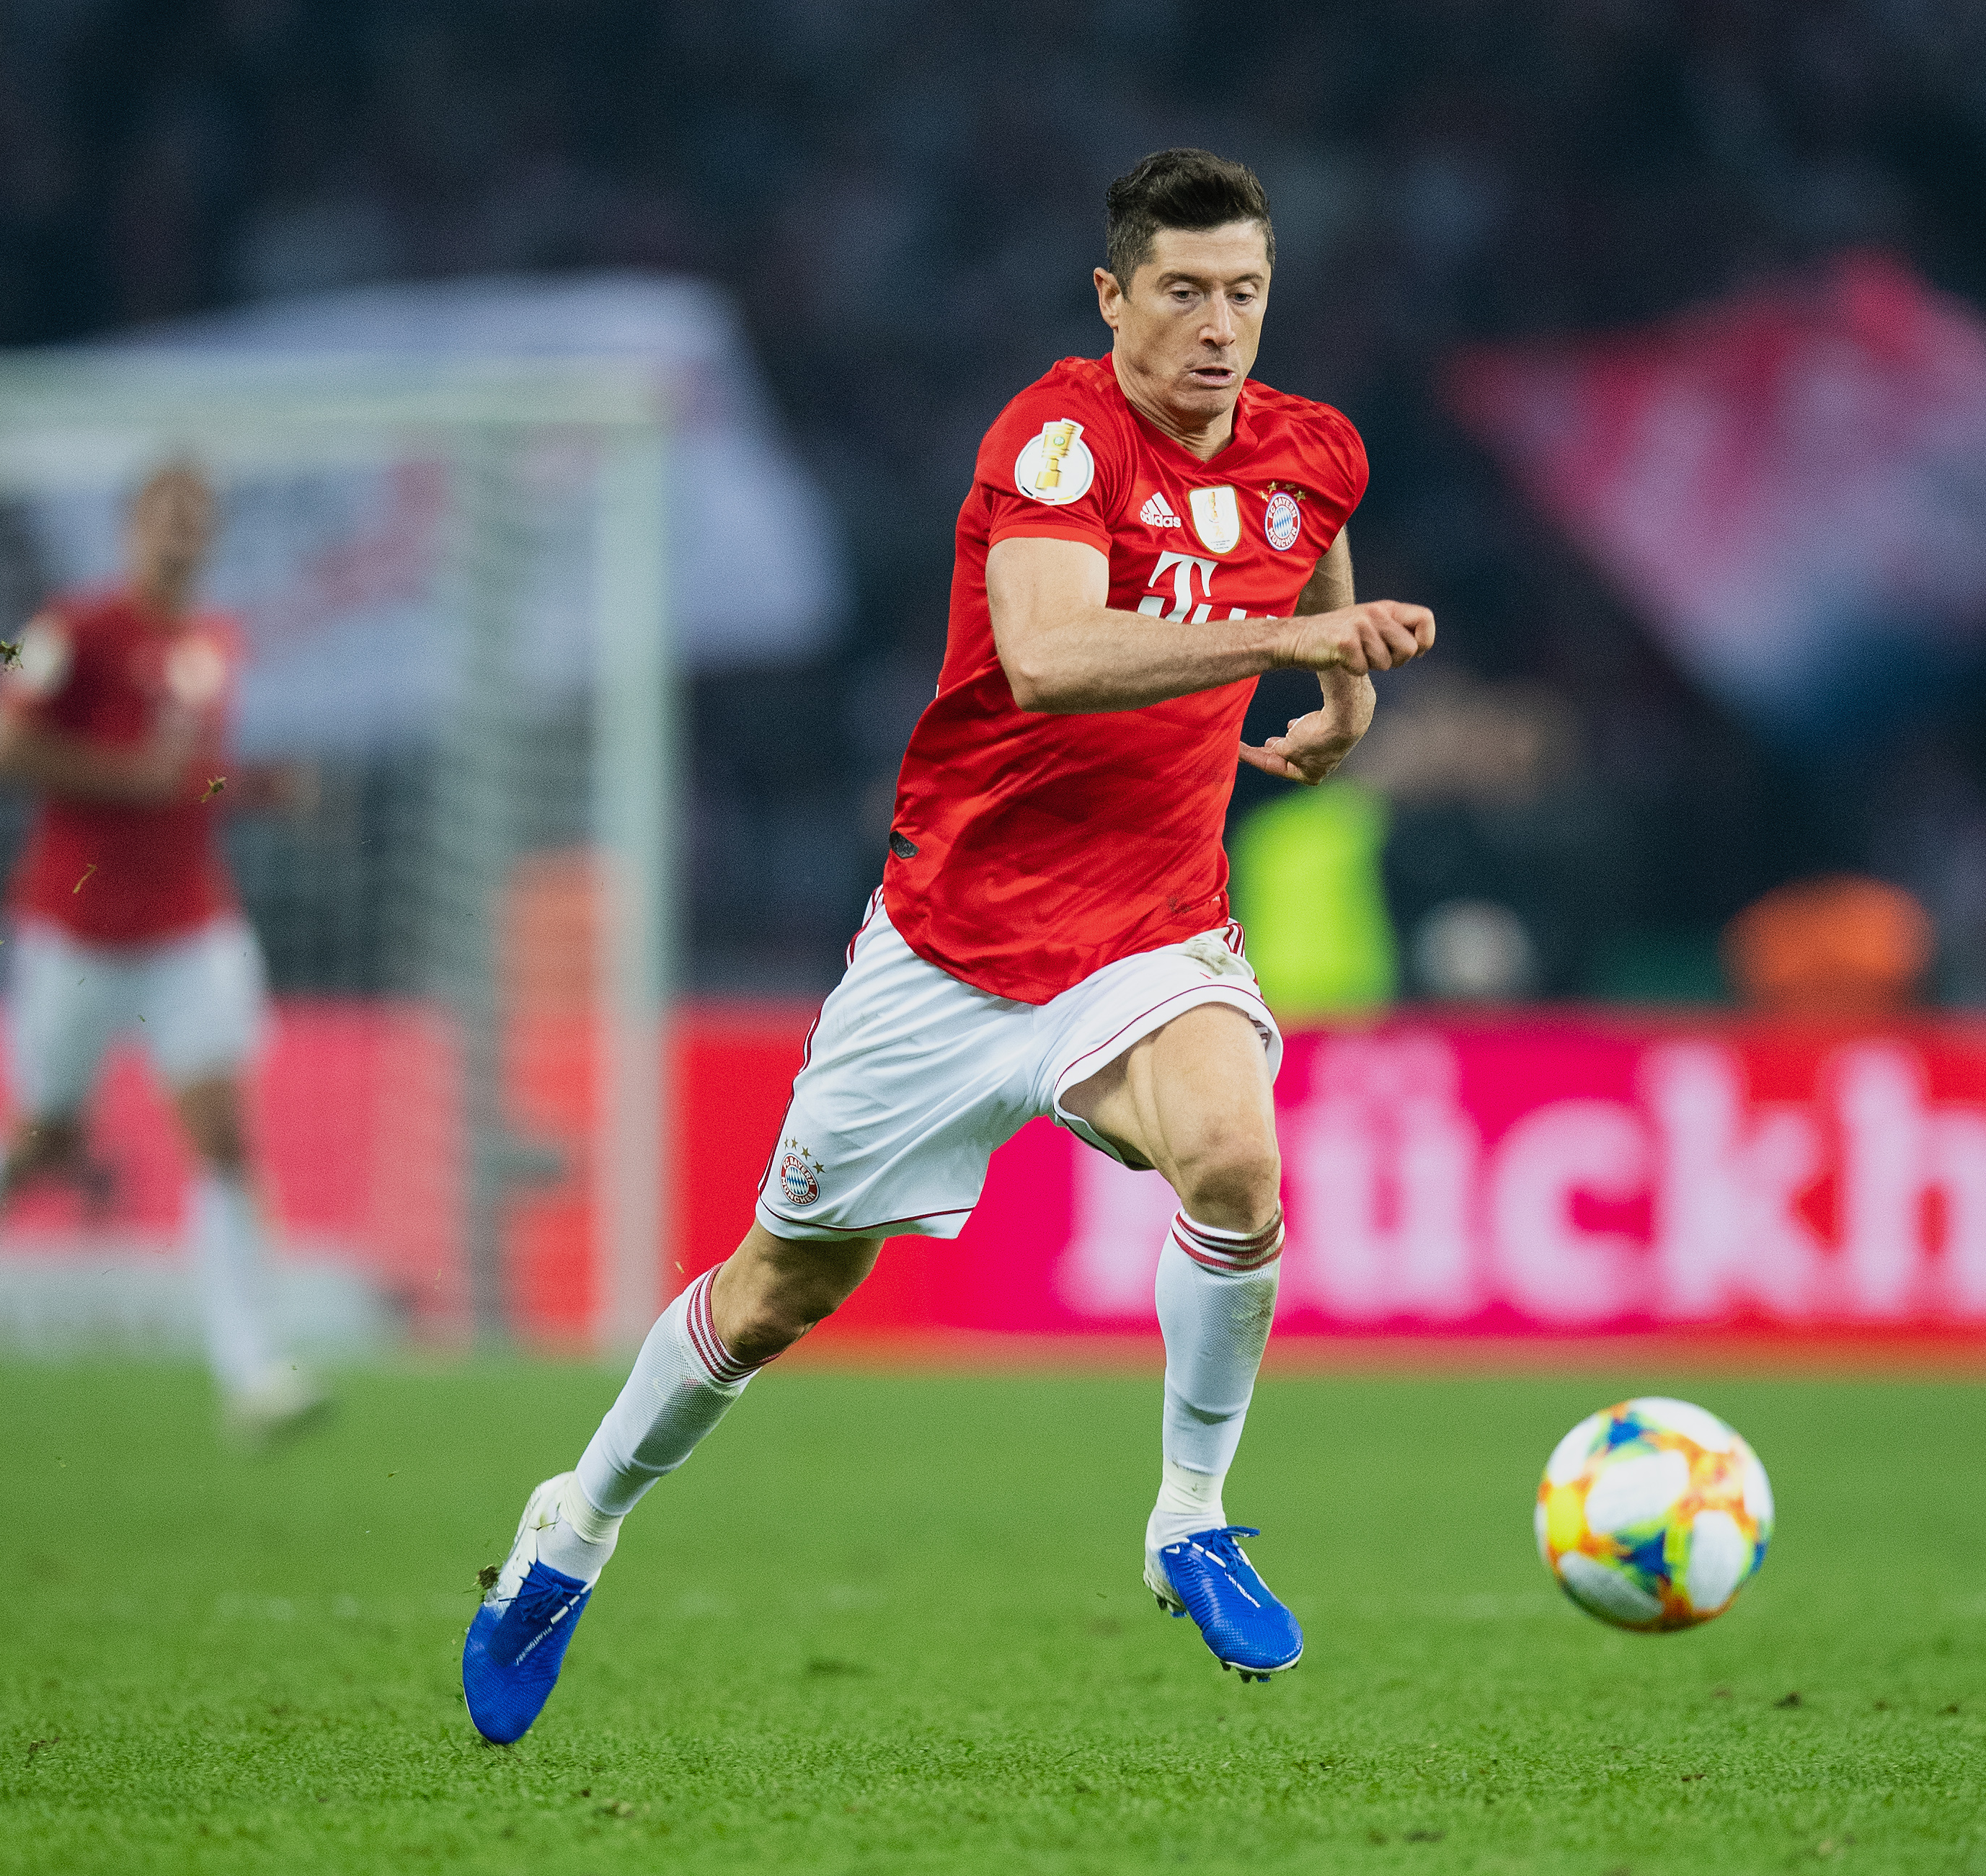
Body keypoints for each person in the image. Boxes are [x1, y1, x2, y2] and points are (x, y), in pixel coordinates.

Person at [461, 147, 1437, 1743]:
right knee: (777, 1291)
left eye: (1242, 293)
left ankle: (1189, 1511)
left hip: (1147, 931)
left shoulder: (1310, 449)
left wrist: (1342, 700)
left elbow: (1306, 549)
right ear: (1112, 296)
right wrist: (1294, 641)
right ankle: (569, 1528)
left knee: (1234, 1163)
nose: (1214, 326)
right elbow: (1049, 657)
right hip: (948, 951)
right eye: (1180, 292)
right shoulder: (1055, 439)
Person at [0, 462, 327, 1448]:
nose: (182, 536)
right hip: (73, 929)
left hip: (190, 926)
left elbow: (185, 780)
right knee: (41, 1134)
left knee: (223, 1137)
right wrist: (126, 774)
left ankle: (253, 1374)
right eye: (166, 517)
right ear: (131, 527)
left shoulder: (213, 642)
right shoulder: (70, 632)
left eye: (198, 520)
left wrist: (253, 790)